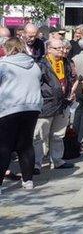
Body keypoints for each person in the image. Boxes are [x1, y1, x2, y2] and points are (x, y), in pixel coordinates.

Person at [0, 38, 43, 193]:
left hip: (9, 108)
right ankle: (28, 180)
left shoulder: (3, 65)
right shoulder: (34, 65)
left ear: (7, 48)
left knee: (4, 146)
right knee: (25, 145)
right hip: (32, 108)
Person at [34, 38, 77, 171]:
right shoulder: (41, 63)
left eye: (63, 48)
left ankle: (57, 160)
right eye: (58, 48)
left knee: (58, 135)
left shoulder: (67, 62)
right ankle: (36, 164)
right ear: (49, 49)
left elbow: (71, 78)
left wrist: (71, 91)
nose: (62, 50)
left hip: (63, 103)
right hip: (46, 104)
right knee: (39, 136)